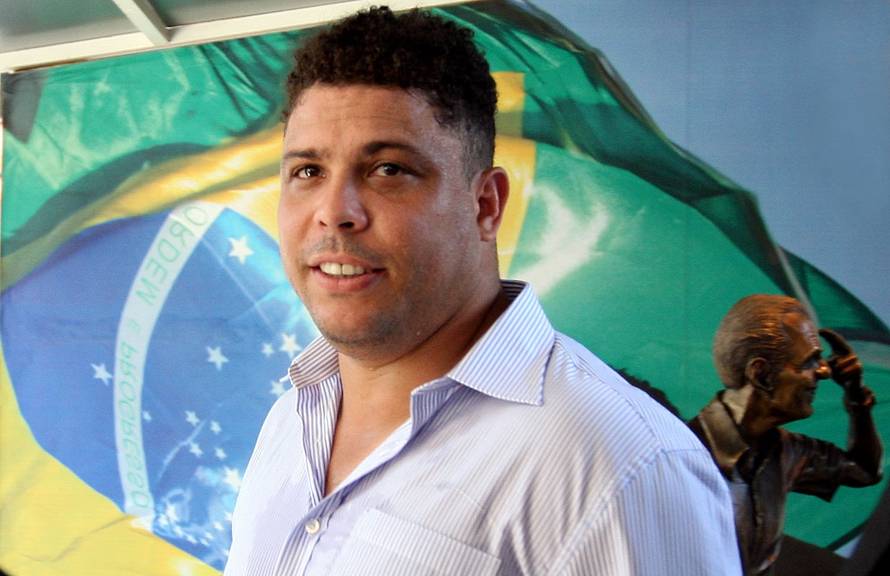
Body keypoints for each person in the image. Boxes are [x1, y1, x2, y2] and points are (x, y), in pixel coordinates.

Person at [225, 7, 741, 575]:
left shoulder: (621, 463)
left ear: (485, 205)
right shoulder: (290, 421)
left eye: (388, 169)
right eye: (307, 172)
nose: (334, 212)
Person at [689, 294, 883, 576]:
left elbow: (865, 471)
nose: (825, 371)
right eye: (809, 362)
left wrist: (856, 397)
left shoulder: (787, 451)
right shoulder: (685, 451)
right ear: (761, 374)